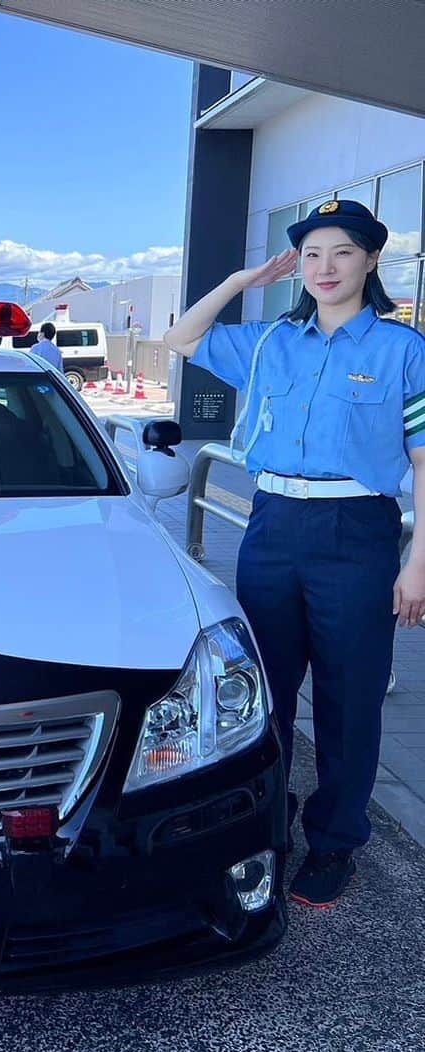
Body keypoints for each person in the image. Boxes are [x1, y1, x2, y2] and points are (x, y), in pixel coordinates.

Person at [165, 200, 425, 907]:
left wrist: (419, 561)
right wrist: (239, 280)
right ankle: (263, 822)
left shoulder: (403, 351)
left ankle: (335, 841)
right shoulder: (269, 340)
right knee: (262, 693)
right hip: (272, 526)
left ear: (371, 261)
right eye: (312, 255)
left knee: (350, 698)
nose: (324, 268)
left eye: (342, 253)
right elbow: (182, 338)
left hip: (357, 534)